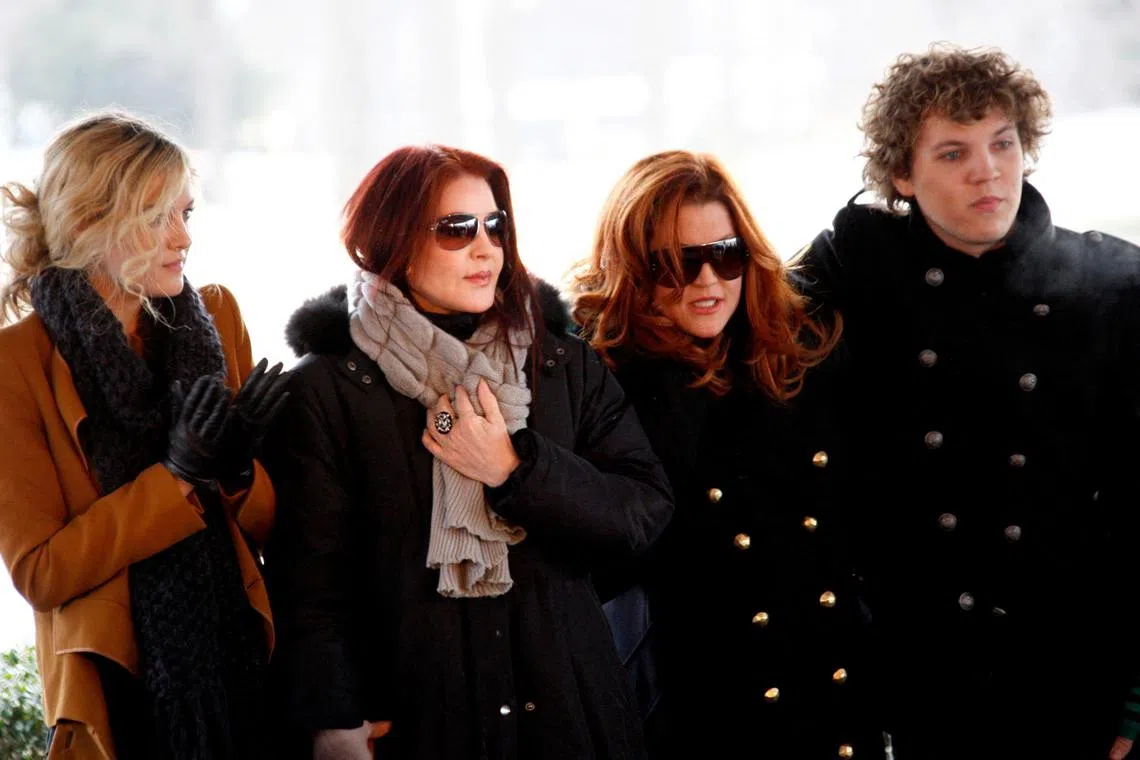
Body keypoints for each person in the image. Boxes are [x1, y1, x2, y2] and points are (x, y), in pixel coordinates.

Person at [261, 144, 673, 760]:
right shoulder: (325, 392)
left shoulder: (561, 363)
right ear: (391, 239)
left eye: (494, 225)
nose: (486, 248)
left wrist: (514, 470)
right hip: (417, 725)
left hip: (570, 719)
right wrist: (333, 722)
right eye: (456, 229)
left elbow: (641, 513)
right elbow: (310, 586)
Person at [793, 44, 1140, 759]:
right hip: (917, 677)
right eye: (953, 153)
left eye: (1003, 144)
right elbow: (736, 325)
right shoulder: (856, 269)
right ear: (901, 175)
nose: (988, 170)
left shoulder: (1110, 284)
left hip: (1072, 674)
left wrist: (1136, 701)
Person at [571, 150, 883, 759]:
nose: (709, 281)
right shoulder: (601, 386)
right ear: (632, 269)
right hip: (705, 715)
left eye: (725, 255)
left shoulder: (799, 353)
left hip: (835, 701)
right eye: (676, 265)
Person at [0, 110, 289, 760]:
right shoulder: (16, 362)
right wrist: (177, 477)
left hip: (243, 668)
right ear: (87, 222)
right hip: (115, 694)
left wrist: (239, 472)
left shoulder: (217, 315)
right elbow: (42, 573)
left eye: (187, 212)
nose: (183, 236)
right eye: (159, 216)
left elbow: (273, 531)